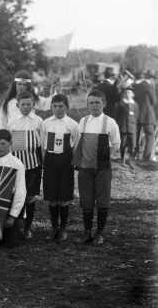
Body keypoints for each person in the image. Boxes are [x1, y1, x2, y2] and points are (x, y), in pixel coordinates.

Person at [73, 90, 120, 245]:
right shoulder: (83, 121)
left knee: (102, 199)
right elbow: (78, 144)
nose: (94, 105)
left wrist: (110, 155)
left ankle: (99, 232)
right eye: (91, 102)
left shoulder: (110, 122)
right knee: (86, 199)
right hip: (85, 167)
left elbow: (116, 143)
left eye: (97, 102)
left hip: (102, 168)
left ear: (104, 104)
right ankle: (87, 231)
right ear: (87, 105)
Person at [41, 94, 79, 242]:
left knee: (64, 197)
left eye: (61, 106)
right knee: (51, 197)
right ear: (51, 107)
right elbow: (42, 143)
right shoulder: (45, 123)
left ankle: (63, 228)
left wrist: (72, 161)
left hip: (65, 161)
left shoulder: (72, 124)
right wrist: (45, 162)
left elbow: (75, 144)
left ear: (66, 107)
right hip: (50, 161)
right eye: (55, 106)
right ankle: (54, 227)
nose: (57, 109)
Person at [7, 91, 43, 239]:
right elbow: (9, 145)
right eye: (23, 104)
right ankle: (17, 226)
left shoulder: (39, 121)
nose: (26, 107)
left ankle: (28, 228)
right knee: (16, 195)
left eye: (29, 104)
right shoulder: (12, 122)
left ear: (33, 105)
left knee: (30, 197)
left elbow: (42, 142)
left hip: (33, 165)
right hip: (17, 165)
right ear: (18, 105)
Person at [133, 71, 156, 161]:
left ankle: (133, 155)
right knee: (150, 135)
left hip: (137, 114)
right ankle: (146, 157)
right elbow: (154, 101)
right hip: (148, 115)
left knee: (136, 135)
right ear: (151, 78)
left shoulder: (136, 86)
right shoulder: (150, 87)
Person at [114, 88, 138, 164]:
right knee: (123, 143)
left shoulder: (135, 104)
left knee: (132, 144)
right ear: (124, 94)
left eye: (130, 93)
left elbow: (137, 115)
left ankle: (130, 159)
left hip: (132, 127)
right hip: (123, 127)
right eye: (126, 93)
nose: (128, 94)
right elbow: (116, 116)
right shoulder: (120, 104)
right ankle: (122, 158)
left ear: (132, 95)